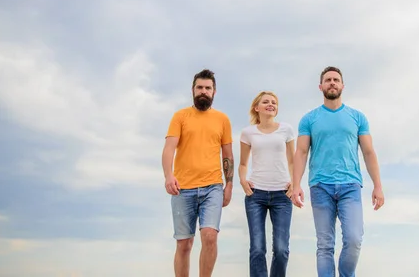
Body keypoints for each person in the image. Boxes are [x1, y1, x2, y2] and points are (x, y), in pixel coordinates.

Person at [291, 66, 385, 277]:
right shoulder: (309, 119)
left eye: (335, 80)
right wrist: (296, 184)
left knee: (354, 239)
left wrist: (378, 186)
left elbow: (369, 152)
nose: (332, 83)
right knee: (325, 245)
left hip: (350, 186)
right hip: (320, 186)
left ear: (342, 85)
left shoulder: (357, 117)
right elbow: (301, 152)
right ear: (320, 86)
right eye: (327, 80)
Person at [161, 69, 234, 277]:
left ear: (214, 92)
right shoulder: (180, 116)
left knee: (210, 236)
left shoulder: (222, 119)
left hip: (213, 187)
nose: (203, 91)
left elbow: (227, 154)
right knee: (184, 244)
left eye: (207, 88)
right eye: (199, 87)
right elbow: (168, 148)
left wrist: (229, 185)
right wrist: (168, 175)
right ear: (193, 90)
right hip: (183, 188)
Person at [238, 91, 295, 277]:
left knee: (281, 249)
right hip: (256, 195)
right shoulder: (248, 133)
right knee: (257, 249)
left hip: (282, 195)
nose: (271, 104)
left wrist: (295, 183)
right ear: (257, 108)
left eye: (274, 102)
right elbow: (243, 164)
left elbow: (292, 161)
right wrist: (243, 181)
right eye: (266, 102)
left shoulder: (286, 130)